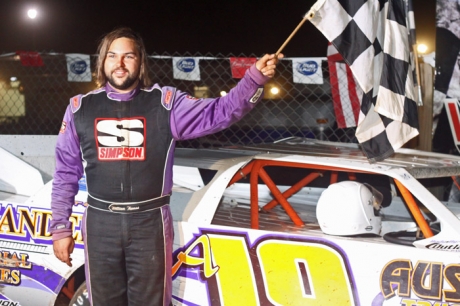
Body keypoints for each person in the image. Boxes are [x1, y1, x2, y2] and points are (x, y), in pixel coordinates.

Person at [50, 27, 283, 306]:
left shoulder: (166, 104)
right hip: (100, 223)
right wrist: (60, 229)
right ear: (102, 62)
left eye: (128, 56)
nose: (119, 63)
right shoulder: (79, 108)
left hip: (149, 224)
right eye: (112, 56)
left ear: (141, 61)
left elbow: (221, 112)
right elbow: (65, 172)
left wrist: (253, 80)